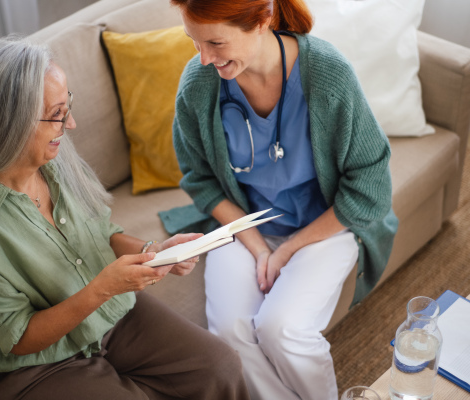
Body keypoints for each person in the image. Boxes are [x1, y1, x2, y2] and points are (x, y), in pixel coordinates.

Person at [0, 37, 250, 400]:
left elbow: (102, 232)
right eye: (57, 114)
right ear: (7, 123)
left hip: (108, 315)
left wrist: (155, 250)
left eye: (67, 106)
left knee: (220, 365)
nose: (70, 124)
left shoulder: (57, 161)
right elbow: (18, 338)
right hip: (32, 366)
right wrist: (103, 287)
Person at [164, 0, 399, 399]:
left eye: (216, 43)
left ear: (263, 18)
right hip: (244, 227)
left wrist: (288, 248)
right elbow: (200, 180)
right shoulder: (199, 85)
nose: (204, 59)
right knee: (229, 334)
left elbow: (371, 185)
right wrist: (258, 248)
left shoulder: (326, 74)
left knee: (282, 328)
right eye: (194, 43)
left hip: (323, 227)